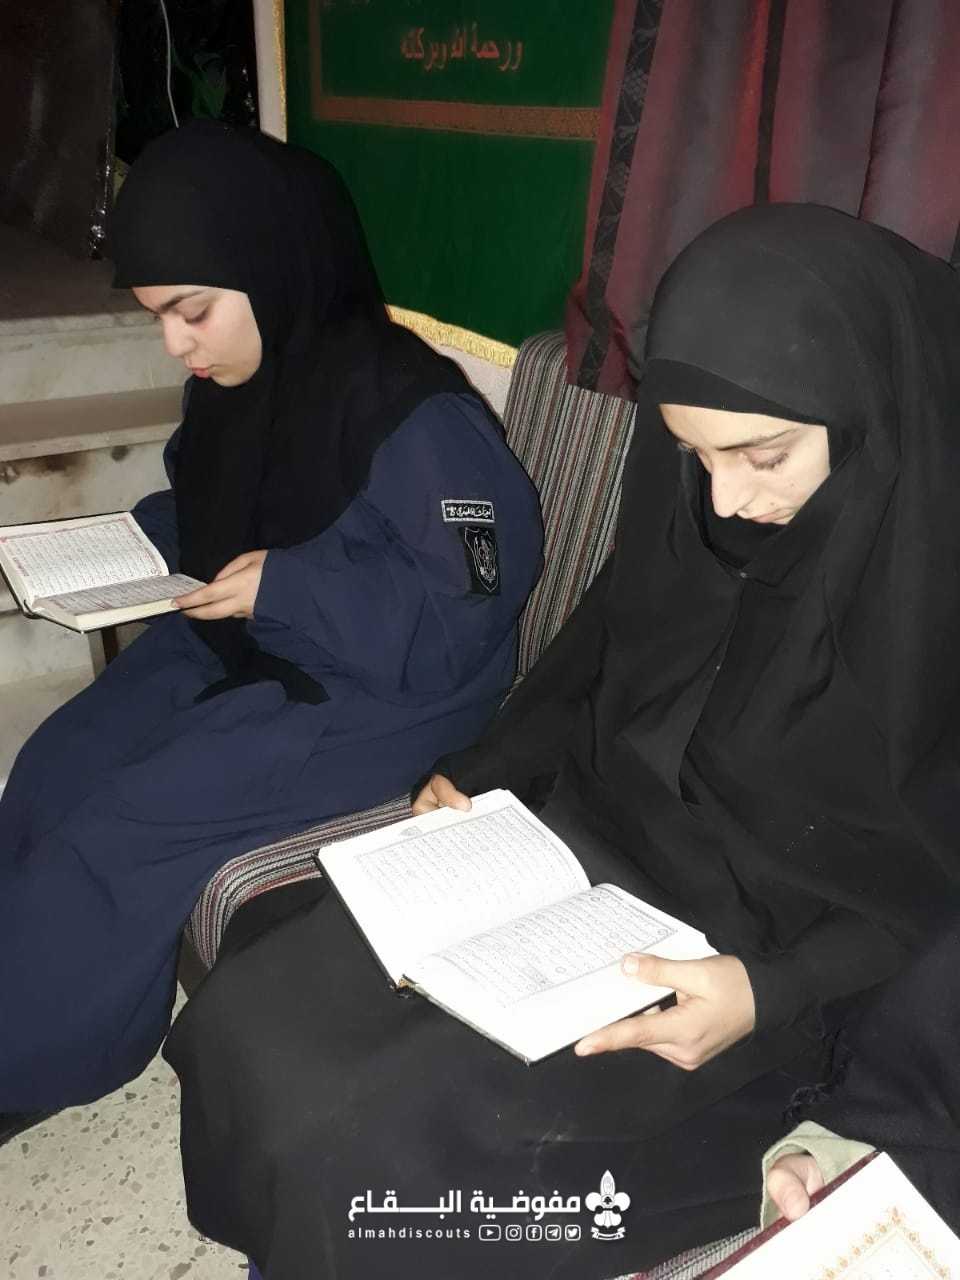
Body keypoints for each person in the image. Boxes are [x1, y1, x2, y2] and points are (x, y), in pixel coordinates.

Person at [163, 204, 960, 1280]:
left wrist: (772, 989)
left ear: (869, 412)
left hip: (775, 974)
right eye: (693, 454)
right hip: (592, 854)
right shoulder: (711, 498)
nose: (727, 501)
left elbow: (934, 892)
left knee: (369, 1148)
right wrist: (482, 769)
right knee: (256, 1021)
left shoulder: (932, 574)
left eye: (762, 455)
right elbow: (604, 637)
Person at [0, 121, 543, 1117]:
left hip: (379, 693)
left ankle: (23, 1058)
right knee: (56, 762)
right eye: (160, 317)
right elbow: (221, 505)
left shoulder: (415, 412)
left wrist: (288, 589)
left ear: (271, 266)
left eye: (193, 311)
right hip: (245, 636)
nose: (176, 343)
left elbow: (473, 603)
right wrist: (127, 549)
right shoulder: (241, 379)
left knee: (120, 827)